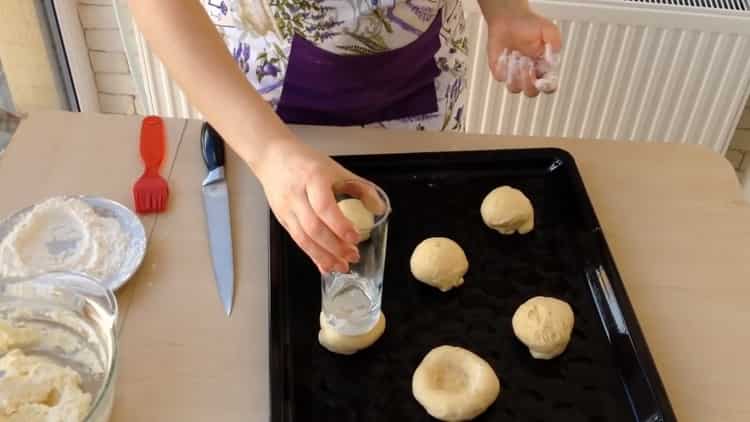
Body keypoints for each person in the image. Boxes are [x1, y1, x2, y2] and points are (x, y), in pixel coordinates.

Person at [128, 0, 561, 273]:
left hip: (422, 84)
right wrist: (268, 151)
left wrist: (506, 9)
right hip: (261, 107)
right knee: (283, 273)